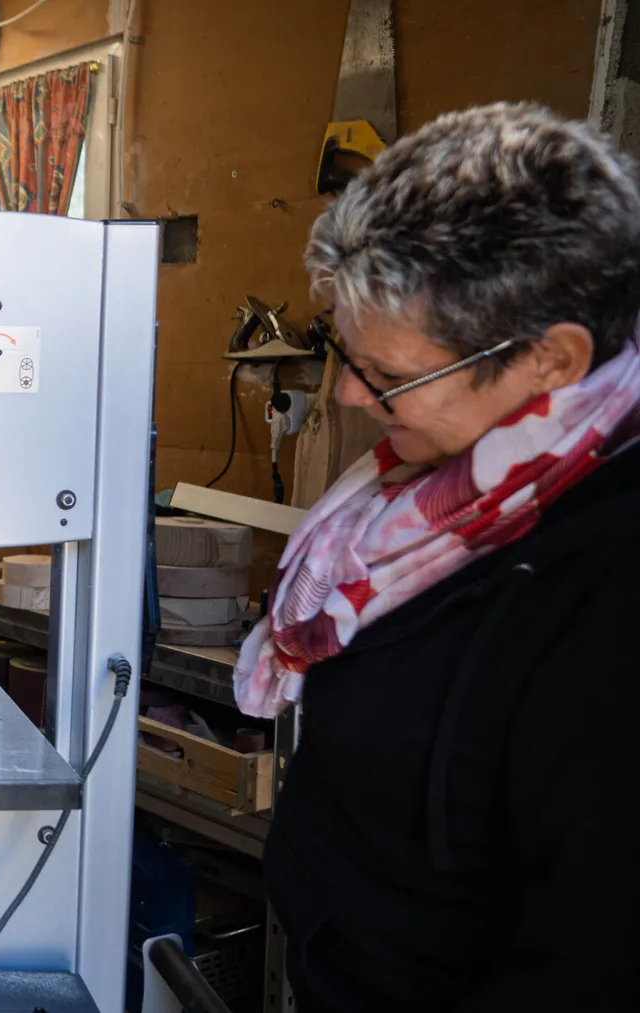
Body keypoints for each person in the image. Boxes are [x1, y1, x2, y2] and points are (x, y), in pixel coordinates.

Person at [237, 102, 640, 1012]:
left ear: (550, 359)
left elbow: (592, 954)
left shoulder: (608, 579)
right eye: (349, 350)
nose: (347, 392)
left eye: (387, 375)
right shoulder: (438, 494)